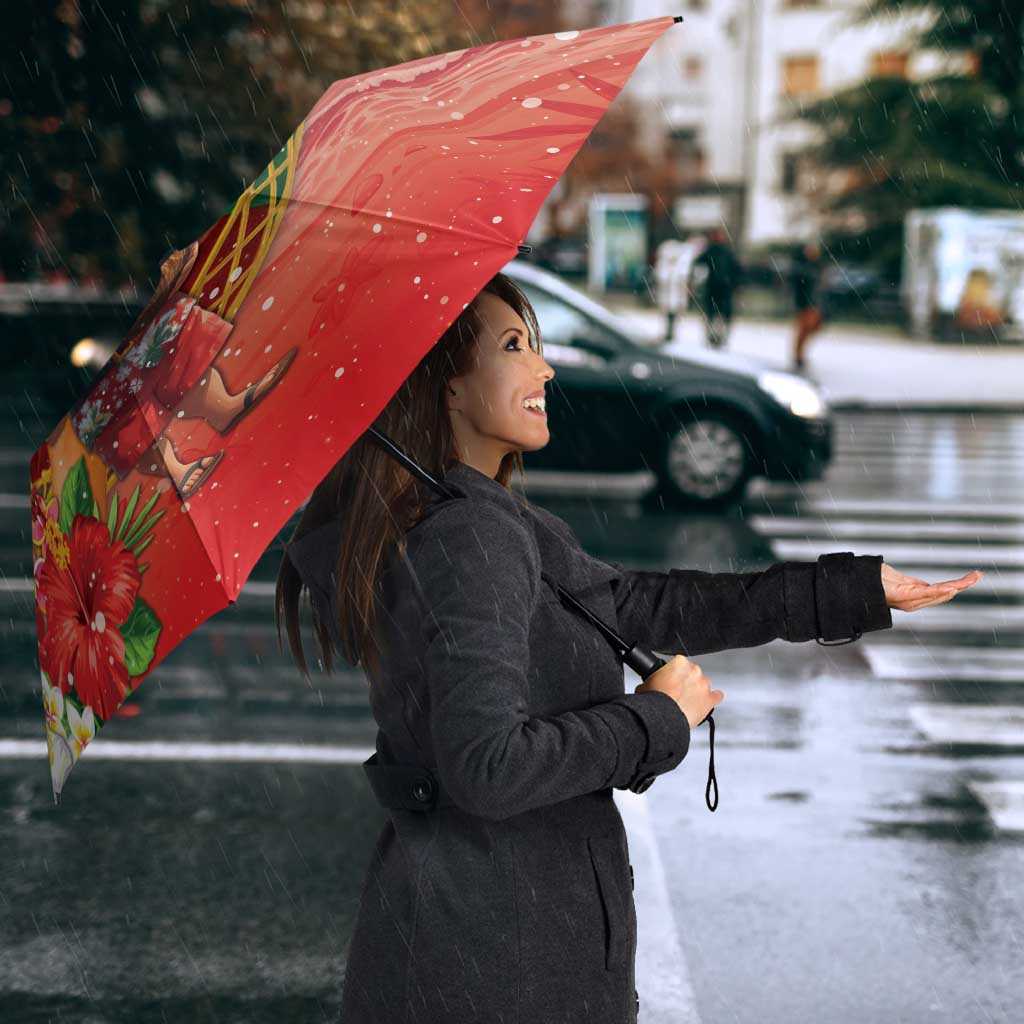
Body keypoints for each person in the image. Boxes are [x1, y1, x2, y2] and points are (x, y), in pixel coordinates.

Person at [275, 272, 982, 1024]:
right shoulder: (470, 537)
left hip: (480, 944)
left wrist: (850, 590)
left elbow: (644, 605)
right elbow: (487, 767)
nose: (544, 368)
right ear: (446, 388)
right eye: (514, 346)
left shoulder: (480, 520)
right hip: (496, 962)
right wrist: (654, 719)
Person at [692, 226, 742, 349]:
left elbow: (736, 270)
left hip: (723, 288)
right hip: (715, 288)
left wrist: (735, 284)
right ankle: (713, 337)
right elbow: (698, 264)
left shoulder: (725, 252)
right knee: (713, 314)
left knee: (720, 315)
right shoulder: (712, 251)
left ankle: (719, 337)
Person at [790, 239, 826, 370]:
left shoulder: (817, 266)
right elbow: (799, 286)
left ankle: (799, 354)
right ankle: (798, 355)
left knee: (812, 328)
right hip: (805, 303)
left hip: (814, 303)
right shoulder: (802, 267)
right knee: (804, 329)